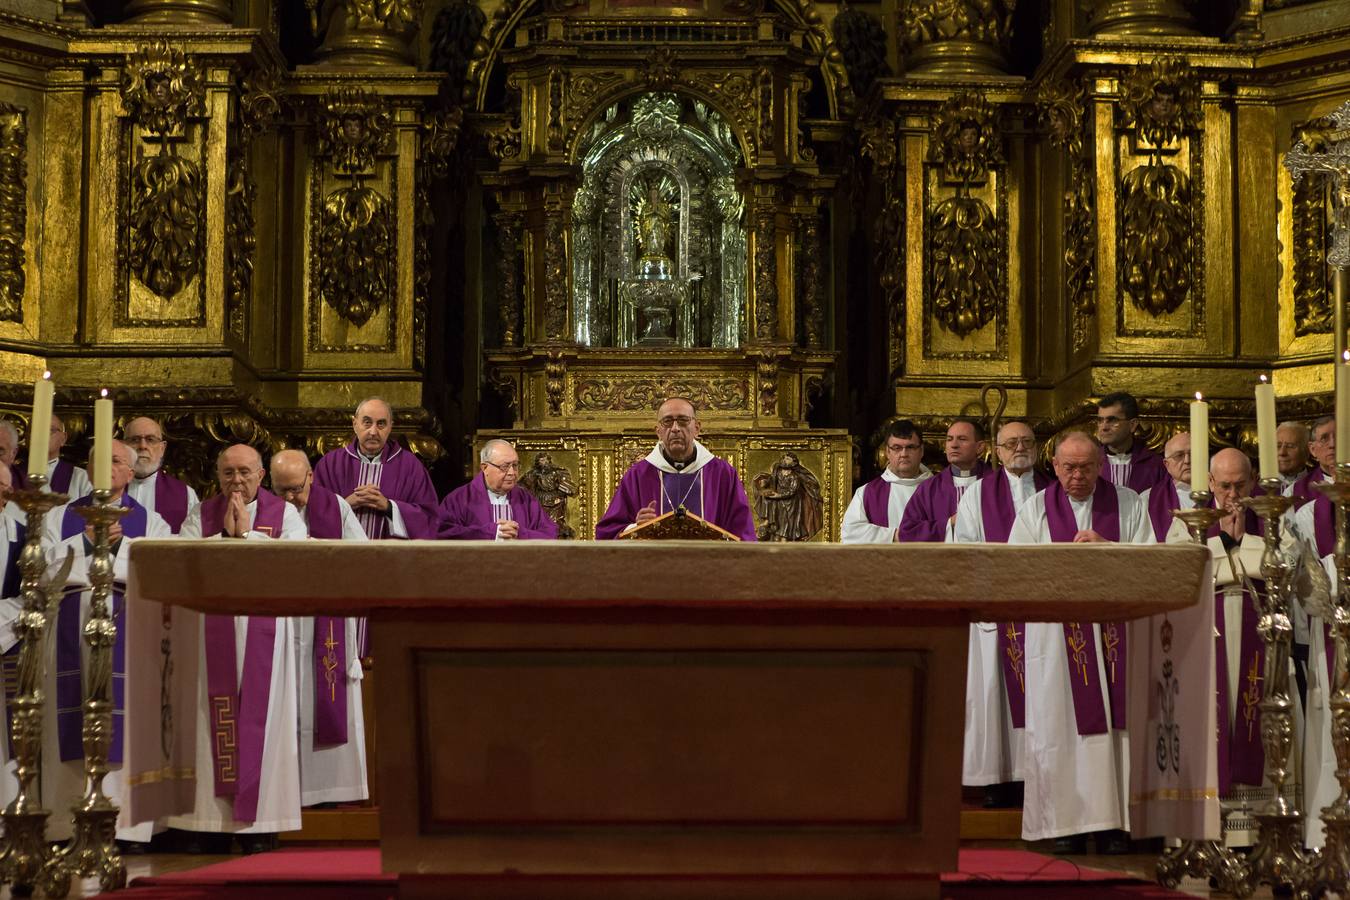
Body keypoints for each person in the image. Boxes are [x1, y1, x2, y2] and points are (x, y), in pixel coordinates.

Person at [1008, 430, 1153, 855]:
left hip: (1114, 636)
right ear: (1053, 466)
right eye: (1068, 467)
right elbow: (1018, 571)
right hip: (1056, 641)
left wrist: (1107, 548)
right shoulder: (1036, 510)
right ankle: (1063, 823)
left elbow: (1151, 561)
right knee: (1059, 729)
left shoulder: (1128, 504)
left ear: (1100, 465)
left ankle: (1115, 826)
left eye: (1086, 467)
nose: (1076, 475)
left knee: (1116, 731)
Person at [171, 445, 305, 852]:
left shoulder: (285, 515)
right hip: (211, 638)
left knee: (264, 726)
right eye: (228, 472)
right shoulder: (201, 514)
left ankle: (260, 824)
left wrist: (245, 537)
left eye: (245, 472)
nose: (236, 481)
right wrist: (224, 537)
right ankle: (207, 823)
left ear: (261, 475)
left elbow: (297, 564)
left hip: (266, 640)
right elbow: (184, 562)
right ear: (217, 475)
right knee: (207, 726)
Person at [40, 440, 171, 842]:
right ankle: (66, 825)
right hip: (67, 639)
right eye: (100, 461)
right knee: (69, 726)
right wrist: (85, 543)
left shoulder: (151, 521)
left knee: (127, 725)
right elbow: (44, 573)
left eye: (116, 462)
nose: (107, 469)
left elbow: (159, 569)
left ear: (130, 473)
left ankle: (125, 829)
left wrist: (112, 546)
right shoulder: (59, 516)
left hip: (130, 639)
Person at [952, 421, 1049, 808]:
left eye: (1026, 442)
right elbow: (967, 549)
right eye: (1011, 444)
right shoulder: (978, 494)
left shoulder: (1052, 490)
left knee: (1042, 693)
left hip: (1040, 610)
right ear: (996, 449)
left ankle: (1035, 775)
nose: (1019, 449)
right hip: (996, 611)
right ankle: (996, 777)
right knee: (992, 696)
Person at [269, 449, 368, 809]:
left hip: (326, 626)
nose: (291, 498)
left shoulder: (336, 507)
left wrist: (321, 552)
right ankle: (281, 790)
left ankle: (327, 794)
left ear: (311, 476)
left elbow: (362, 559)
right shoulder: (266, 511)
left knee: (322, 700)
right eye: (282, 491)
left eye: (296, 488)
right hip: (280, 627)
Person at [596, 397, 756, 541]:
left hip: (708, 568)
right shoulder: (638, 475)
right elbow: (607, 533)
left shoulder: (722, 474)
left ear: (697, 428)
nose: (675, 428)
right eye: (667, 421)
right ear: (658, 431)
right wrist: (636, 527)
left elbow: (743, 533)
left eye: (683, 420)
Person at [313, 398, 439, 540]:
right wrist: (346, 505)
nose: (373, 431)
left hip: (391, 557)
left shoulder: (411, 466)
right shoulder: (330, 464)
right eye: (367, 422)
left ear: (390, 427)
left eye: (381, 424)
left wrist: (389, 507)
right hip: (343, 557)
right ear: (355, 424)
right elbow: (312, 513)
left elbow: (429, 517)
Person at [437, 440, 557, 541]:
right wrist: (490, 533)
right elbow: (442, 532)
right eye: (505, 466)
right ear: (485, 468)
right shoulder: (459, 499)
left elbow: (550, 534)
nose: (512, 473)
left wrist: (519, 535)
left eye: (515, 466)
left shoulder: (526, 499)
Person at [897, 418, 989, 543]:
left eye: (962, 439)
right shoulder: (929, 488)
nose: (954, 445)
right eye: (949, 439)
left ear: (980, 447)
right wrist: (949, 523)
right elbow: (908, 532)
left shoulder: (996, 485)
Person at [840, 419, 932, 543]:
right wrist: (895, 536)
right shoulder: (867, 493)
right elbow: (850, 533)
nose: (903, 454)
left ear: (921, 451)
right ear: (888, 452)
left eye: (910, 447)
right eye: (897, 448)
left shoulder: (939, 490)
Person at [123, 416, 198, 533]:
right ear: (124, 447)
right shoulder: (109, 490)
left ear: (162, 448)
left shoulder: (186, 495)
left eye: (150, 439)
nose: (142, 446)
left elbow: (193, 542)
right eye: (135, 440)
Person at [1095, 391, 1169, 495]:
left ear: (1132, 425)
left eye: (1112, 420)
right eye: (1100, 421)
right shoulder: (1090, 463)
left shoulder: (1156, 466)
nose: (1104, 427)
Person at [1141, 431, 1195, 542]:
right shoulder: (1148, 499)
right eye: (1179, 456)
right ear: (1167, 464)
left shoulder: (1218, 493)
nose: (1187, 461)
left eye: (1193, 454)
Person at [40, 414, 91, 499]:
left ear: (63, 438)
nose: (40, 435)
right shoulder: (13, 474)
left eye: (50, 430)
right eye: (33, 429)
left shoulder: (81, 477)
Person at [1292, 416, 1334, 507]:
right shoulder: (1294, 492)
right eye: (1324, 439)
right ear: (1313, 449)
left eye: (1338, 437)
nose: (1332, 444)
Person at [1276, 421, 1311, 495]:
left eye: (1290, 446)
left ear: (1306, 451)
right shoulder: (1257, 487)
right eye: (1278, 446)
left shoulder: (1317, 485)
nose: (1282, 453)